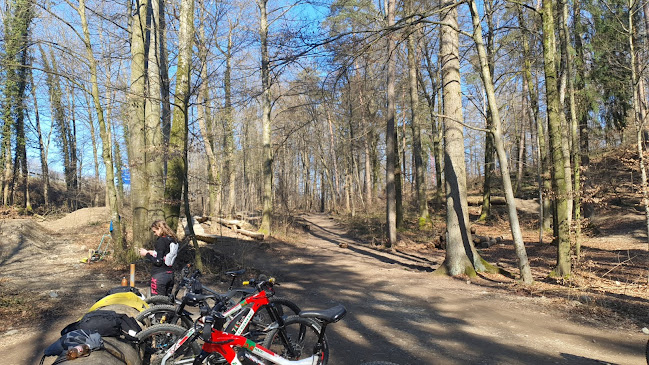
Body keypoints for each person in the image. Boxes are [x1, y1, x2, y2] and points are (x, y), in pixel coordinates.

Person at [139, 220, 177, 297]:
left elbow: (158, 261)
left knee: (158, 303)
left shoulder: (161, 240)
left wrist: (146, 254)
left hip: (159, 276)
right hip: (170, 275)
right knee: (167, 303)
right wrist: (154, 253)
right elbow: (166, 254)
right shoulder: (172, 239)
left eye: (155, 231)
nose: (155, 234)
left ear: (160, 228)